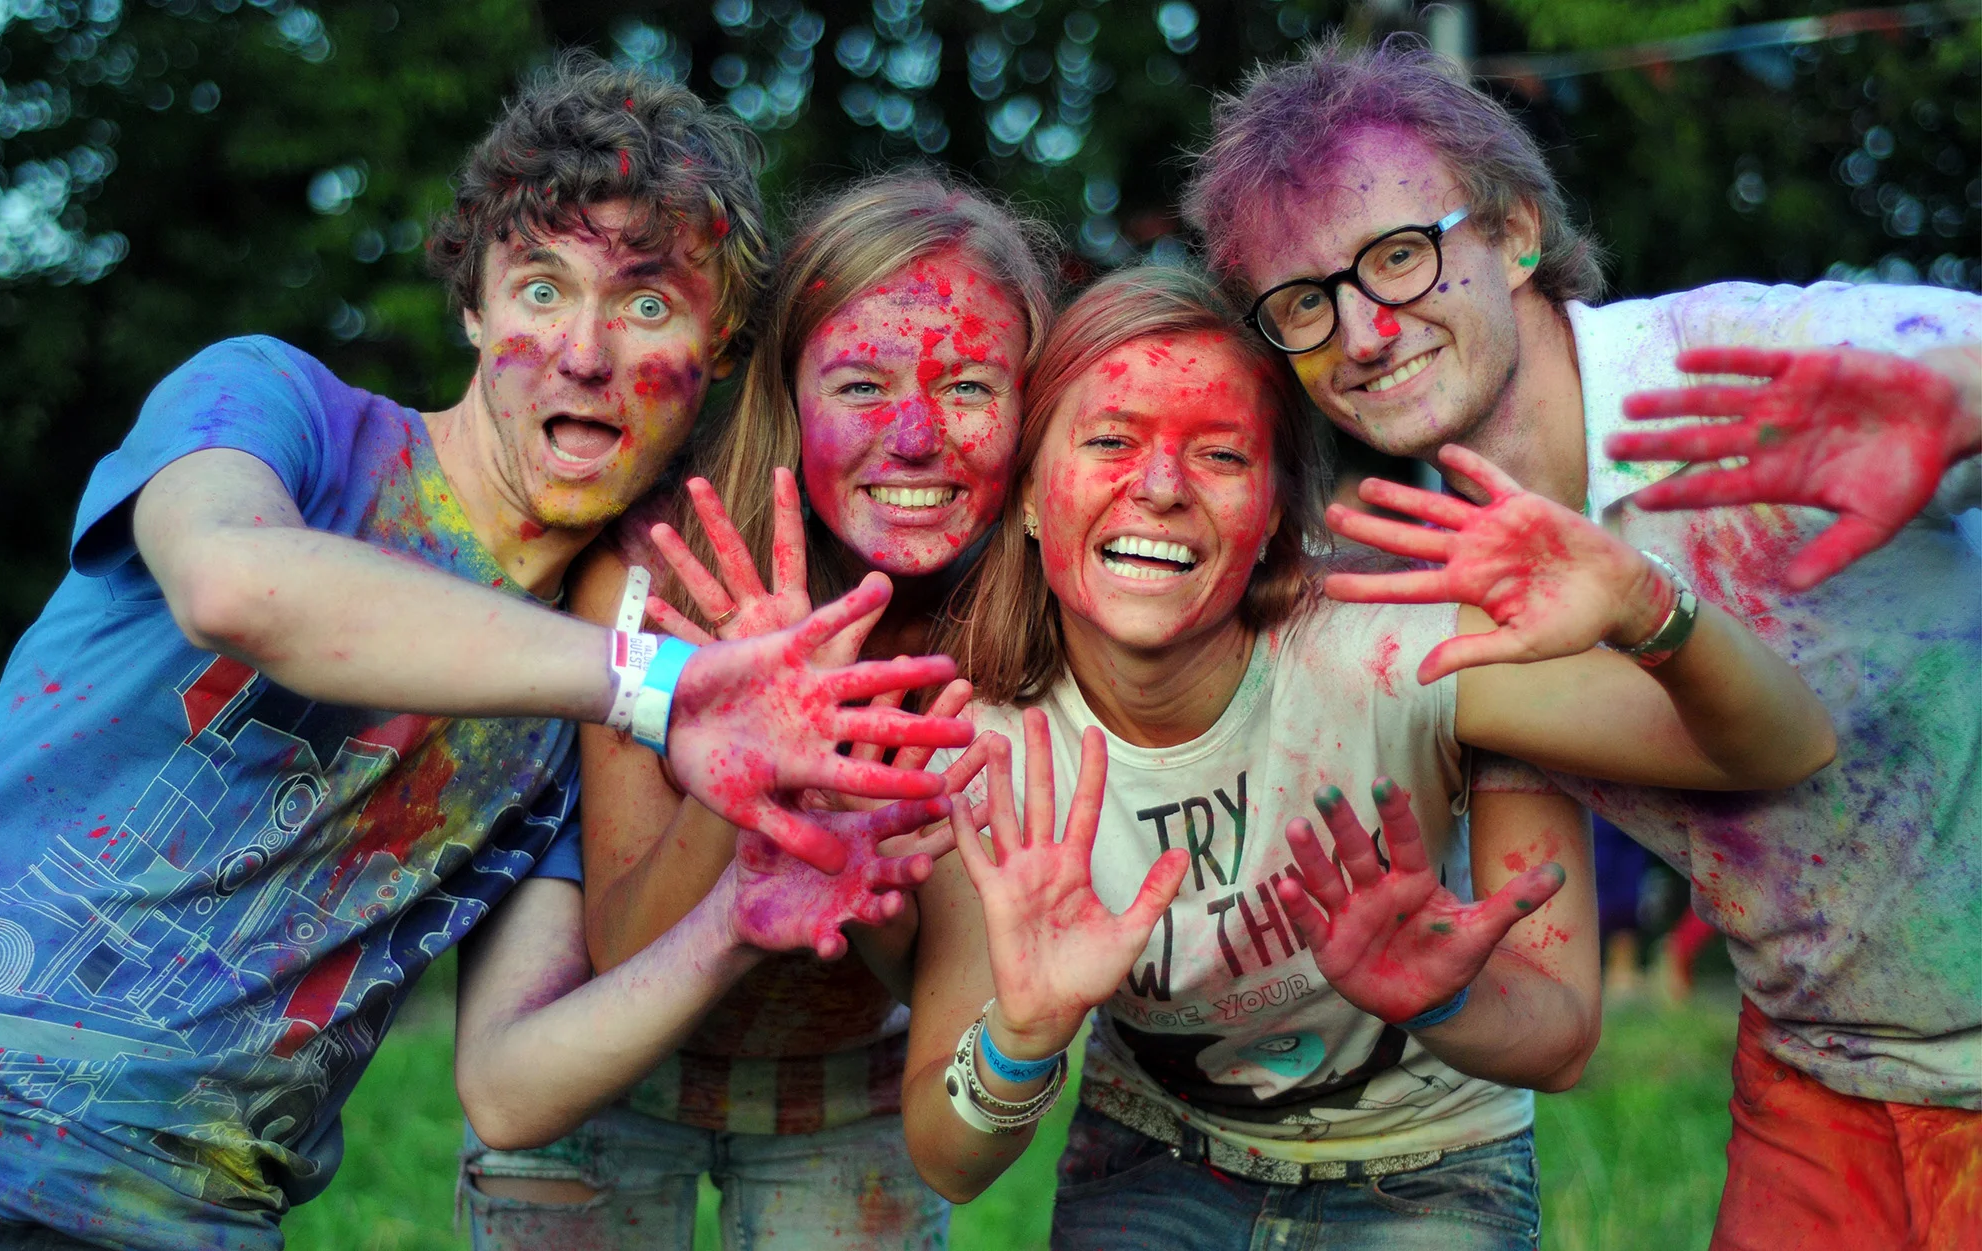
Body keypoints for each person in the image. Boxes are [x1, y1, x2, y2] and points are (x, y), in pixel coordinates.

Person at [0, 57, 972, 1251]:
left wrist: (733, 919)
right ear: (473, 308)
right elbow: (229, 584)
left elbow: (508, 1088)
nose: (585, 353)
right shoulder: (278, 410)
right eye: (541, 288)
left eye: (647, 306)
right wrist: (656, 688)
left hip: (189, 1222)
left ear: (719, 348)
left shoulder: (575, 718)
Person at [1185, 34, 1982, 1251]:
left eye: (1396, 256)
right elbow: (1552, 1015)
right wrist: (1434, 993)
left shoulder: (1739, 369)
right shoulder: (1443, 590)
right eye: (1304, 302)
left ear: (1513, 234)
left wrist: (1966, 398)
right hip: (1820, 1082)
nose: (1361, 332)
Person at [899, 267, 1834, 1251]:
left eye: (1220, 454)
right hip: (1157, 1155)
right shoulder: (983, 742)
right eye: (1109, 441)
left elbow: (1788, 744)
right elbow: (947, 1161)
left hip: (1427, 1166)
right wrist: (1022, 1038)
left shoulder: (1395, 652)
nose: (1162, 487)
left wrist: (1644, 603)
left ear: (1274, 512)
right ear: (1030, 495)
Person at [456, 173, 1053, 1251]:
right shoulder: (656, 577)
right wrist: (747, 782)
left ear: (1029, 405)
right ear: (785, 392)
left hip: (852, 1093)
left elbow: (941, 993)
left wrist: (860, 868)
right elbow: (624, 941)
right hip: (604, 1082)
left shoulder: (1017, 626)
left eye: (968, 385)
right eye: (860, 384)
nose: (914, 435)